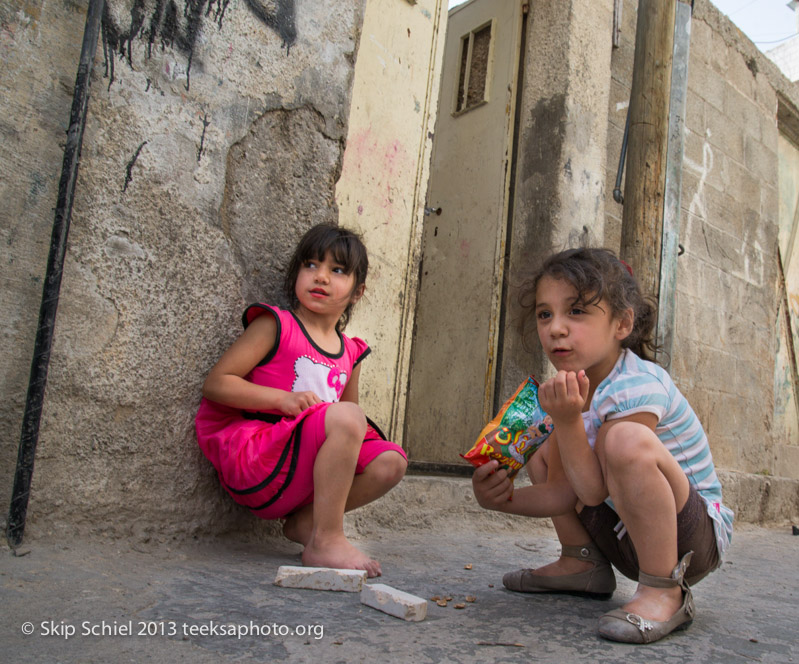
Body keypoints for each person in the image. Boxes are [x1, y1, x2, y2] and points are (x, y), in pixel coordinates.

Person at [471, 247, 733, 644]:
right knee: (546, 446)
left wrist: (568, 420)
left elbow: (592, 491)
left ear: (622, 323)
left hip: (689, 540)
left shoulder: (638, 383)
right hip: (627, 538)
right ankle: (582, 563)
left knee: (623, 440)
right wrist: (499, 500)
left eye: (576, 311)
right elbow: (563, 492)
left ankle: (665, 590)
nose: (555, 328)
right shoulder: (569, 387)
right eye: (545, 314)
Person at [196, 223, 407, 578]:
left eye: (337, 270)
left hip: (303, 478)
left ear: (358, 292)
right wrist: (281, 400)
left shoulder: (350, 353)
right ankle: (326, 540)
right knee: (346, 417)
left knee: (391, 461)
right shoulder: (276, 325)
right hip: (260, 461)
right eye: (310, 265)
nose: (321, 277)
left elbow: (355, 432)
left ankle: (306, 524)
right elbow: (216, 384)